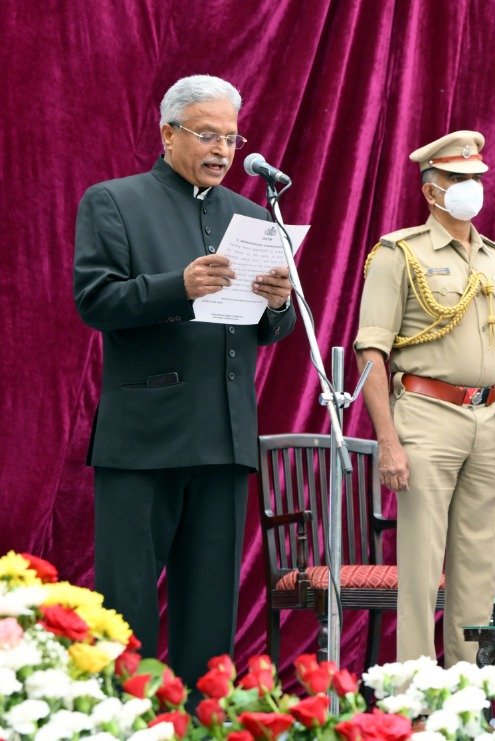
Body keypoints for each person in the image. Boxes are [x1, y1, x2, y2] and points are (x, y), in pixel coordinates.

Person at [73, 75, 295, 692]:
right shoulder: (114, 201)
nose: (222, 149)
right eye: (207, 134)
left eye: (231, 137)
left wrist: (276, 305)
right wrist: (179, 286)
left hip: (223, 437)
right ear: (169, 133)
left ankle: (204, 722)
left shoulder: (252, 216)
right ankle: (127, 723)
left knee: (210, 612)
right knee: (128, 610)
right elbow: (94, 301)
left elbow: (267, 331)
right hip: (143, 438)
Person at [355, 130, 495, 666]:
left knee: (479, 568)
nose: (471, 187)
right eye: (458, 179)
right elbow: (372, 351)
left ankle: (467, 695)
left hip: (490, 417)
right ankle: (412, 691)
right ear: (432, 191)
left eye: (476, 178)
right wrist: (388, 441)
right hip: (426, 414)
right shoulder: (397, 253)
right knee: (422, 568)